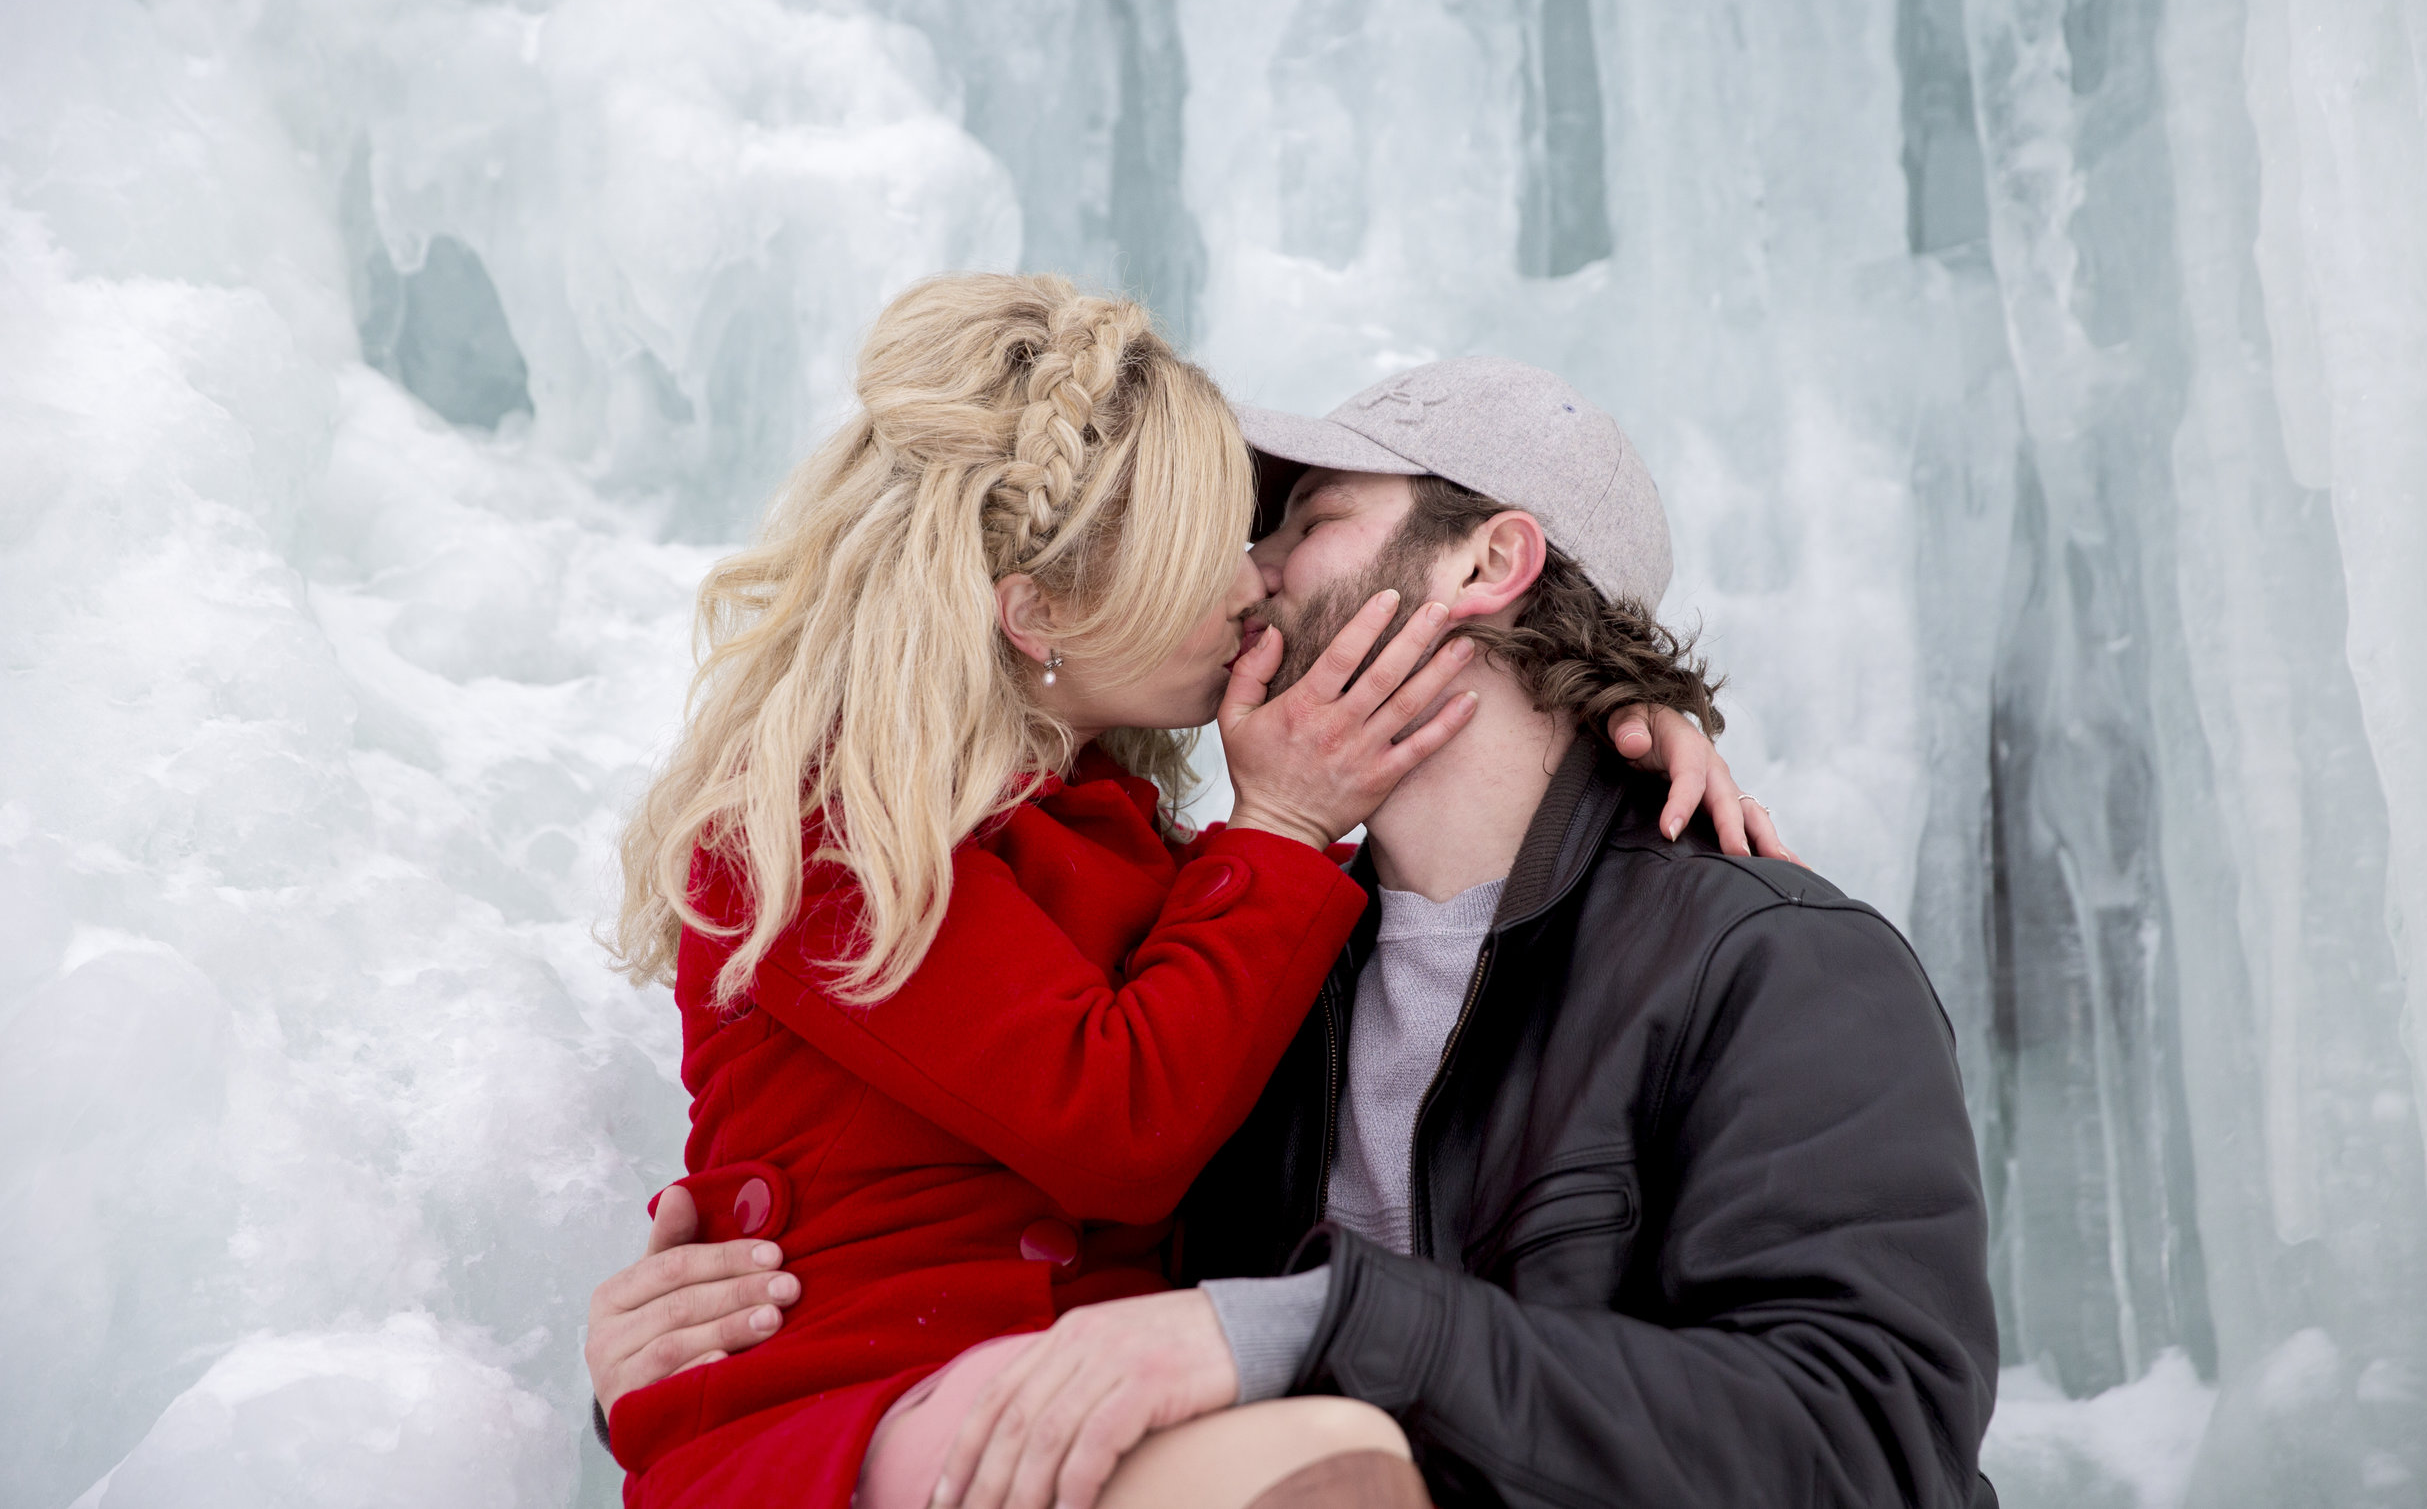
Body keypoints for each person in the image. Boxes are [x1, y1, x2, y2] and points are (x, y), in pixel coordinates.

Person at [593, 354, 1996, 1509]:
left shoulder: (1771, 963)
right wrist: (692, 1352)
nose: (1249, 576)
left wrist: (1325, 1327)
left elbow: (1868, 1446)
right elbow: (965, 1177)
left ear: (1491, 561)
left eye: (1304, 518)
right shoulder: (1257, 965)